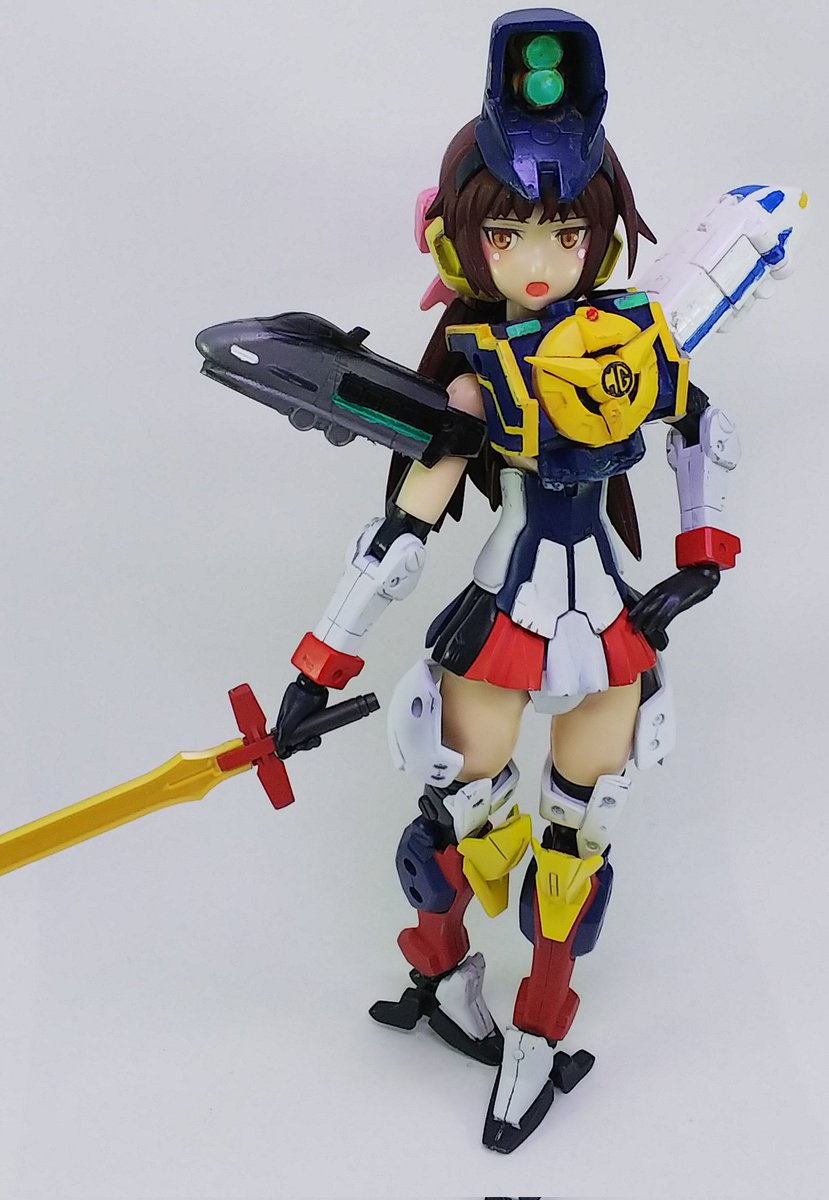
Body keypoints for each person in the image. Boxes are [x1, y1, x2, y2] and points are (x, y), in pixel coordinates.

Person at [273, 10, 740, 1154]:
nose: (540, 261)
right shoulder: (477, 378)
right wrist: (317, 665)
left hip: (611, 624)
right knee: (452, 827)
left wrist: (699, 562)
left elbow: (701, 429)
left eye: (565, 234)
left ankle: (534, 1040)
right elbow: (406, 526)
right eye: (510, 235)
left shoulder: (634, 346)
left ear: (598, 237)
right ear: (460, 243)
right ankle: (444, 978)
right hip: (504, 618)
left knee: (576, 848)